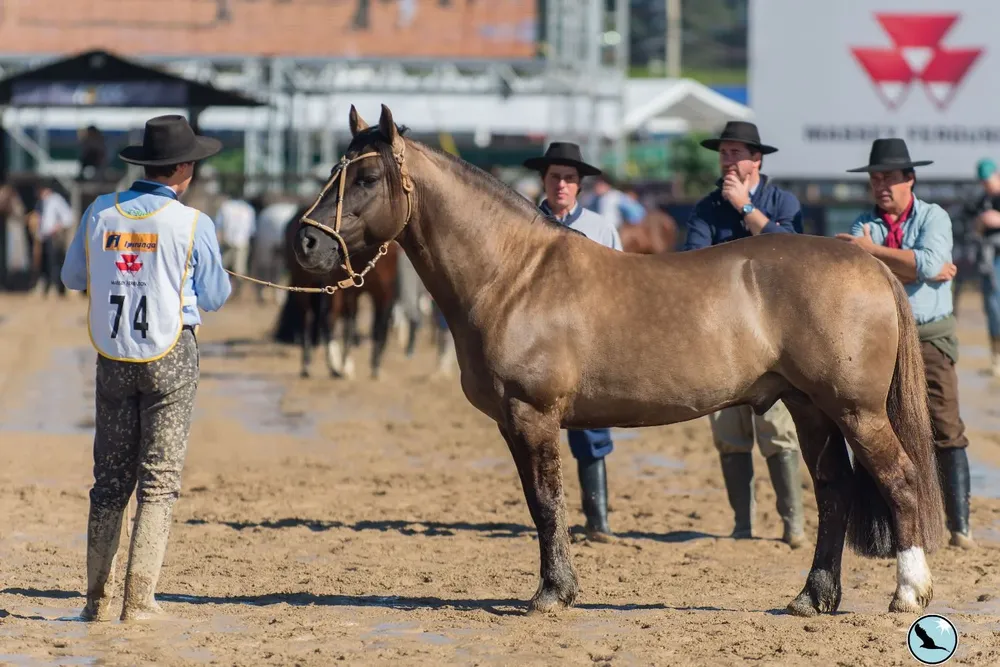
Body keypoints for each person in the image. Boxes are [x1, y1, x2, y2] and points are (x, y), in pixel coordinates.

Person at [60, 115, 232, 621]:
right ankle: (139, 601)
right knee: (158, 481)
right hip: (172, 352)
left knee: (109, 480)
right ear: (181, 167)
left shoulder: (98, 211)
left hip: (112, 353)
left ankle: (95, 599)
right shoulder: (194, 223)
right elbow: (218, 297)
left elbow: (73, 277)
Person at [836, 137, 974, 549]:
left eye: (890, 178)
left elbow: (930, 265)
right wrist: (913, 264)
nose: (882, 186)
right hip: (881, 341)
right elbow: (925, 268)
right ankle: (887, 531)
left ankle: (960, 525)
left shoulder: (932, 218)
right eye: (876, 178)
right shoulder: (865, 220)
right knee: (881, 430)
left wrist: (873, 252)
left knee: (946, 427)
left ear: (909, 179)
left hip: (929, 336)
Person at [682, 121, 806, 548]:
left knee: (778, 430)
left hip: (773, 341)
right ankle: (742, 523)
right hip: (720, 339)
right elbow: (693, 264)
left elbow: (788, 252)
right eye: (724, 153)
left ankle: (792, 522)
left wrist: (745, 208)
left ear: (757, 160)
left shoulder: (782, 201)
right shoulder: (705, 208)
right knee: (729, 433)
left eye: (737, 153)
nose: (729, 161)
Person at [523, 142, 622, 542]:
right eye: (554, 177)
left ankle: (598, 520)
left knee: (590, 430)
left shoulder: (600, 228)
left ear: (579, 185)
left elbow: (619, 286)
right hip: (535, 340)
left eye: (568, 178)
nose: (561, 185)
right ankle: (552, 519)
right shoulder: (524, 224)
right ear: (543, 181)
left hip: (586, 340)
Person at [961, 158, 1000, 375]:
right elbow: (971, 227)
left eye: (989, 180)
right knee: (992, 308)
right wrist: (979, 224)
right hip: (988, 261)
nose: (987, 185)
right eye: (983, 182)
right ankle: (996, 360)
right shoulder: (981, 200)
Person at [33, 181, 75, 297]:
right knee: (44, 264)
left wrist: (58, 226)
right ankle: (45, 287)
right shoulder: (41, 203)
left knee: (55, 263)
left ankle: (57, 288)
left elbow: (68, 217)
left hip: (54, 237)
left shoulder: (56, 200)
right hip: (43, 237)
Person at [215, 194, 256, 299]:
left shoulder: (225, 207)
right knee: (239, 271)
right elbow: (252, 230)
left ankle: (226, 292)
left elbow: (219, 226)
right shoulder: (248, 209)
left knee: (224, 269)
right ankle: (237, 294)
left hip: (228, 243)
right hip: (241, 244)